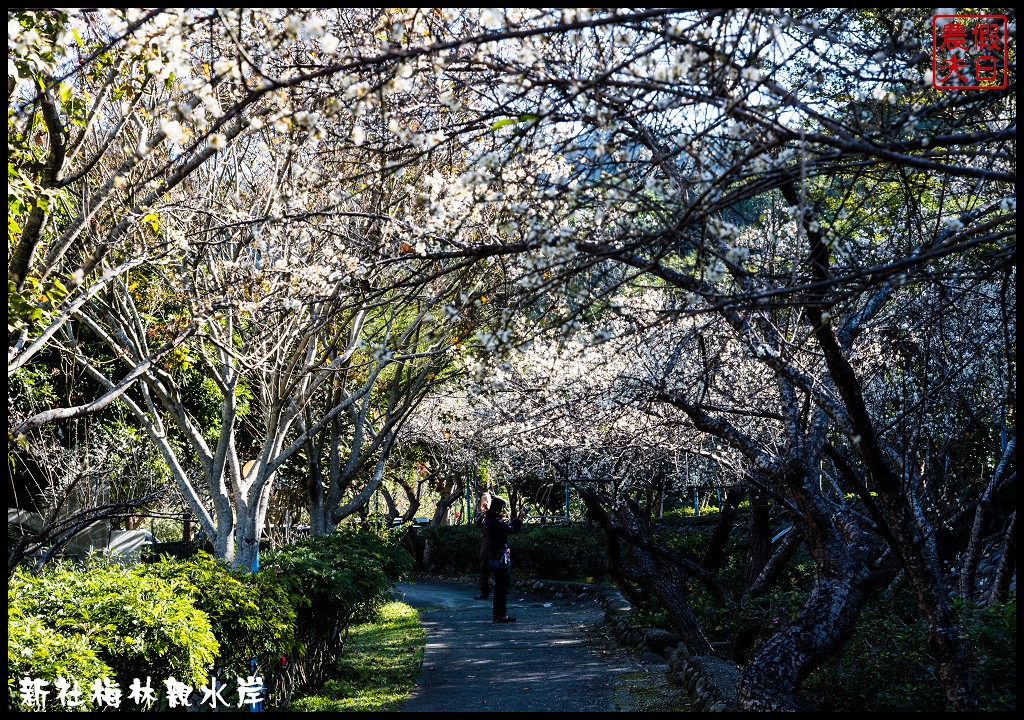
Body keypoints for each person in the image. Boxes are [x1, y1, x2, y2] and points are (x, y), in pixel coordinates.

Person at [483, 495, 526, 622]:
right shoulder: (496, 522)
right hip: (502, 557)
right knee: (503, 586)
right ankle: (502, 614)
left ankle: (497, 614)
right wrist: (521, 518)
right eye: (501, 508)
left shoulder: (489, 521)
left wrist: (517, 519)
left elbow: (507, 528)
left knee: (498, 587)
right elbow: (512, 530)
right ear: (497, 509)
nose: (502, 511)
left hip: (494, 556)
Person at [474, 491, 492, 600]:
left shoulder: (494, 510)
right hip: (486, 540)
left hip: (494, 540)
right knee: (484, 566)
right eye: (483, 499)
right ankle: (484, 591)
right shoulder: (481, 512)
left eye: (486, 499)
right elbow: (477, 524)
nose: (485, 502)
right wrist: (483, 514)